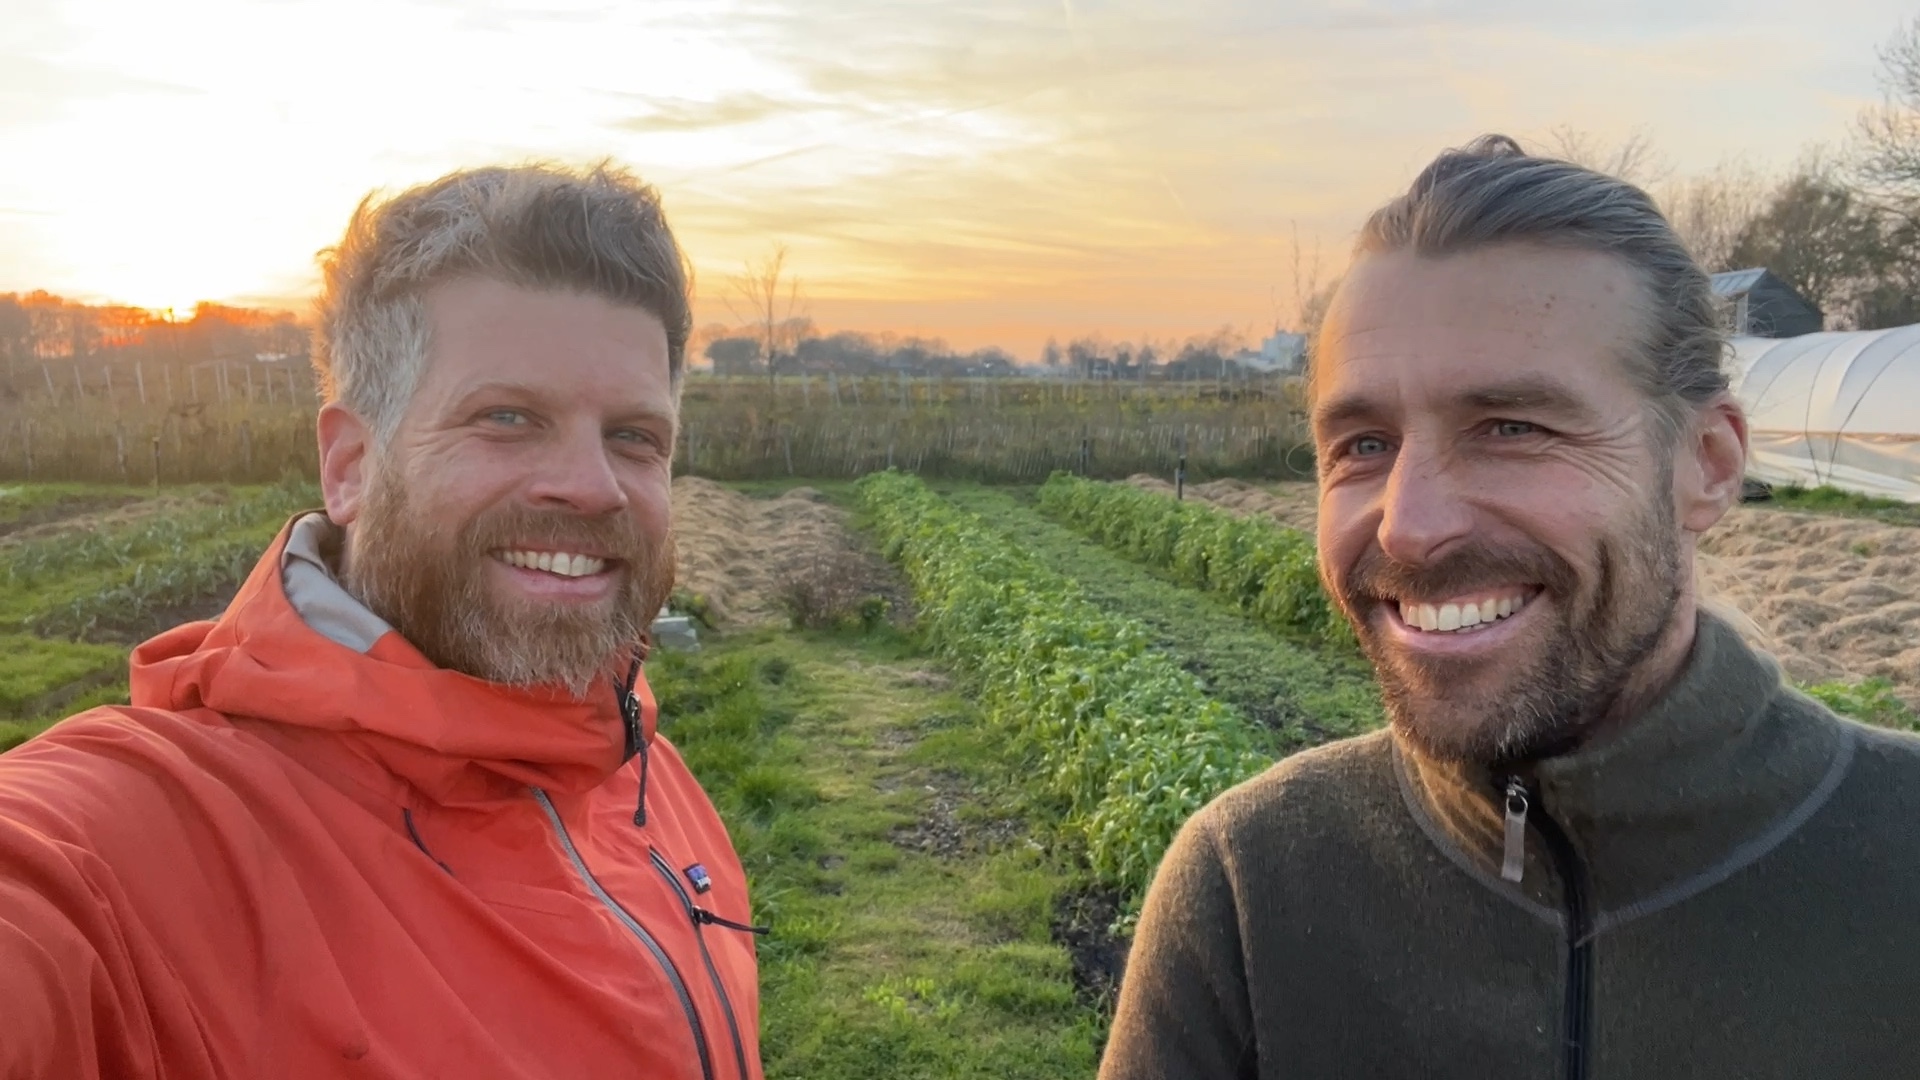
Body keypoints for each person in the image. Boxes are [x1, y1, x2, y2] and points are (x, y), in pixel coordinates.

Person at [1101, 136, 1920, 1078]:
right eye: (1363, 445)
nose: (1409, 527)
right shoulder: (1250, 892)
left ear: (1709, 464)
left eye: (1513, 427)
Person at [0, 164, 763, 1079]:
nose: (593, 486)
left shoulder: (640, 765)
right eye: (508, 417)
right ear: (351, 465)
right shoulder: (139, 848)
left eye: (635, 436)